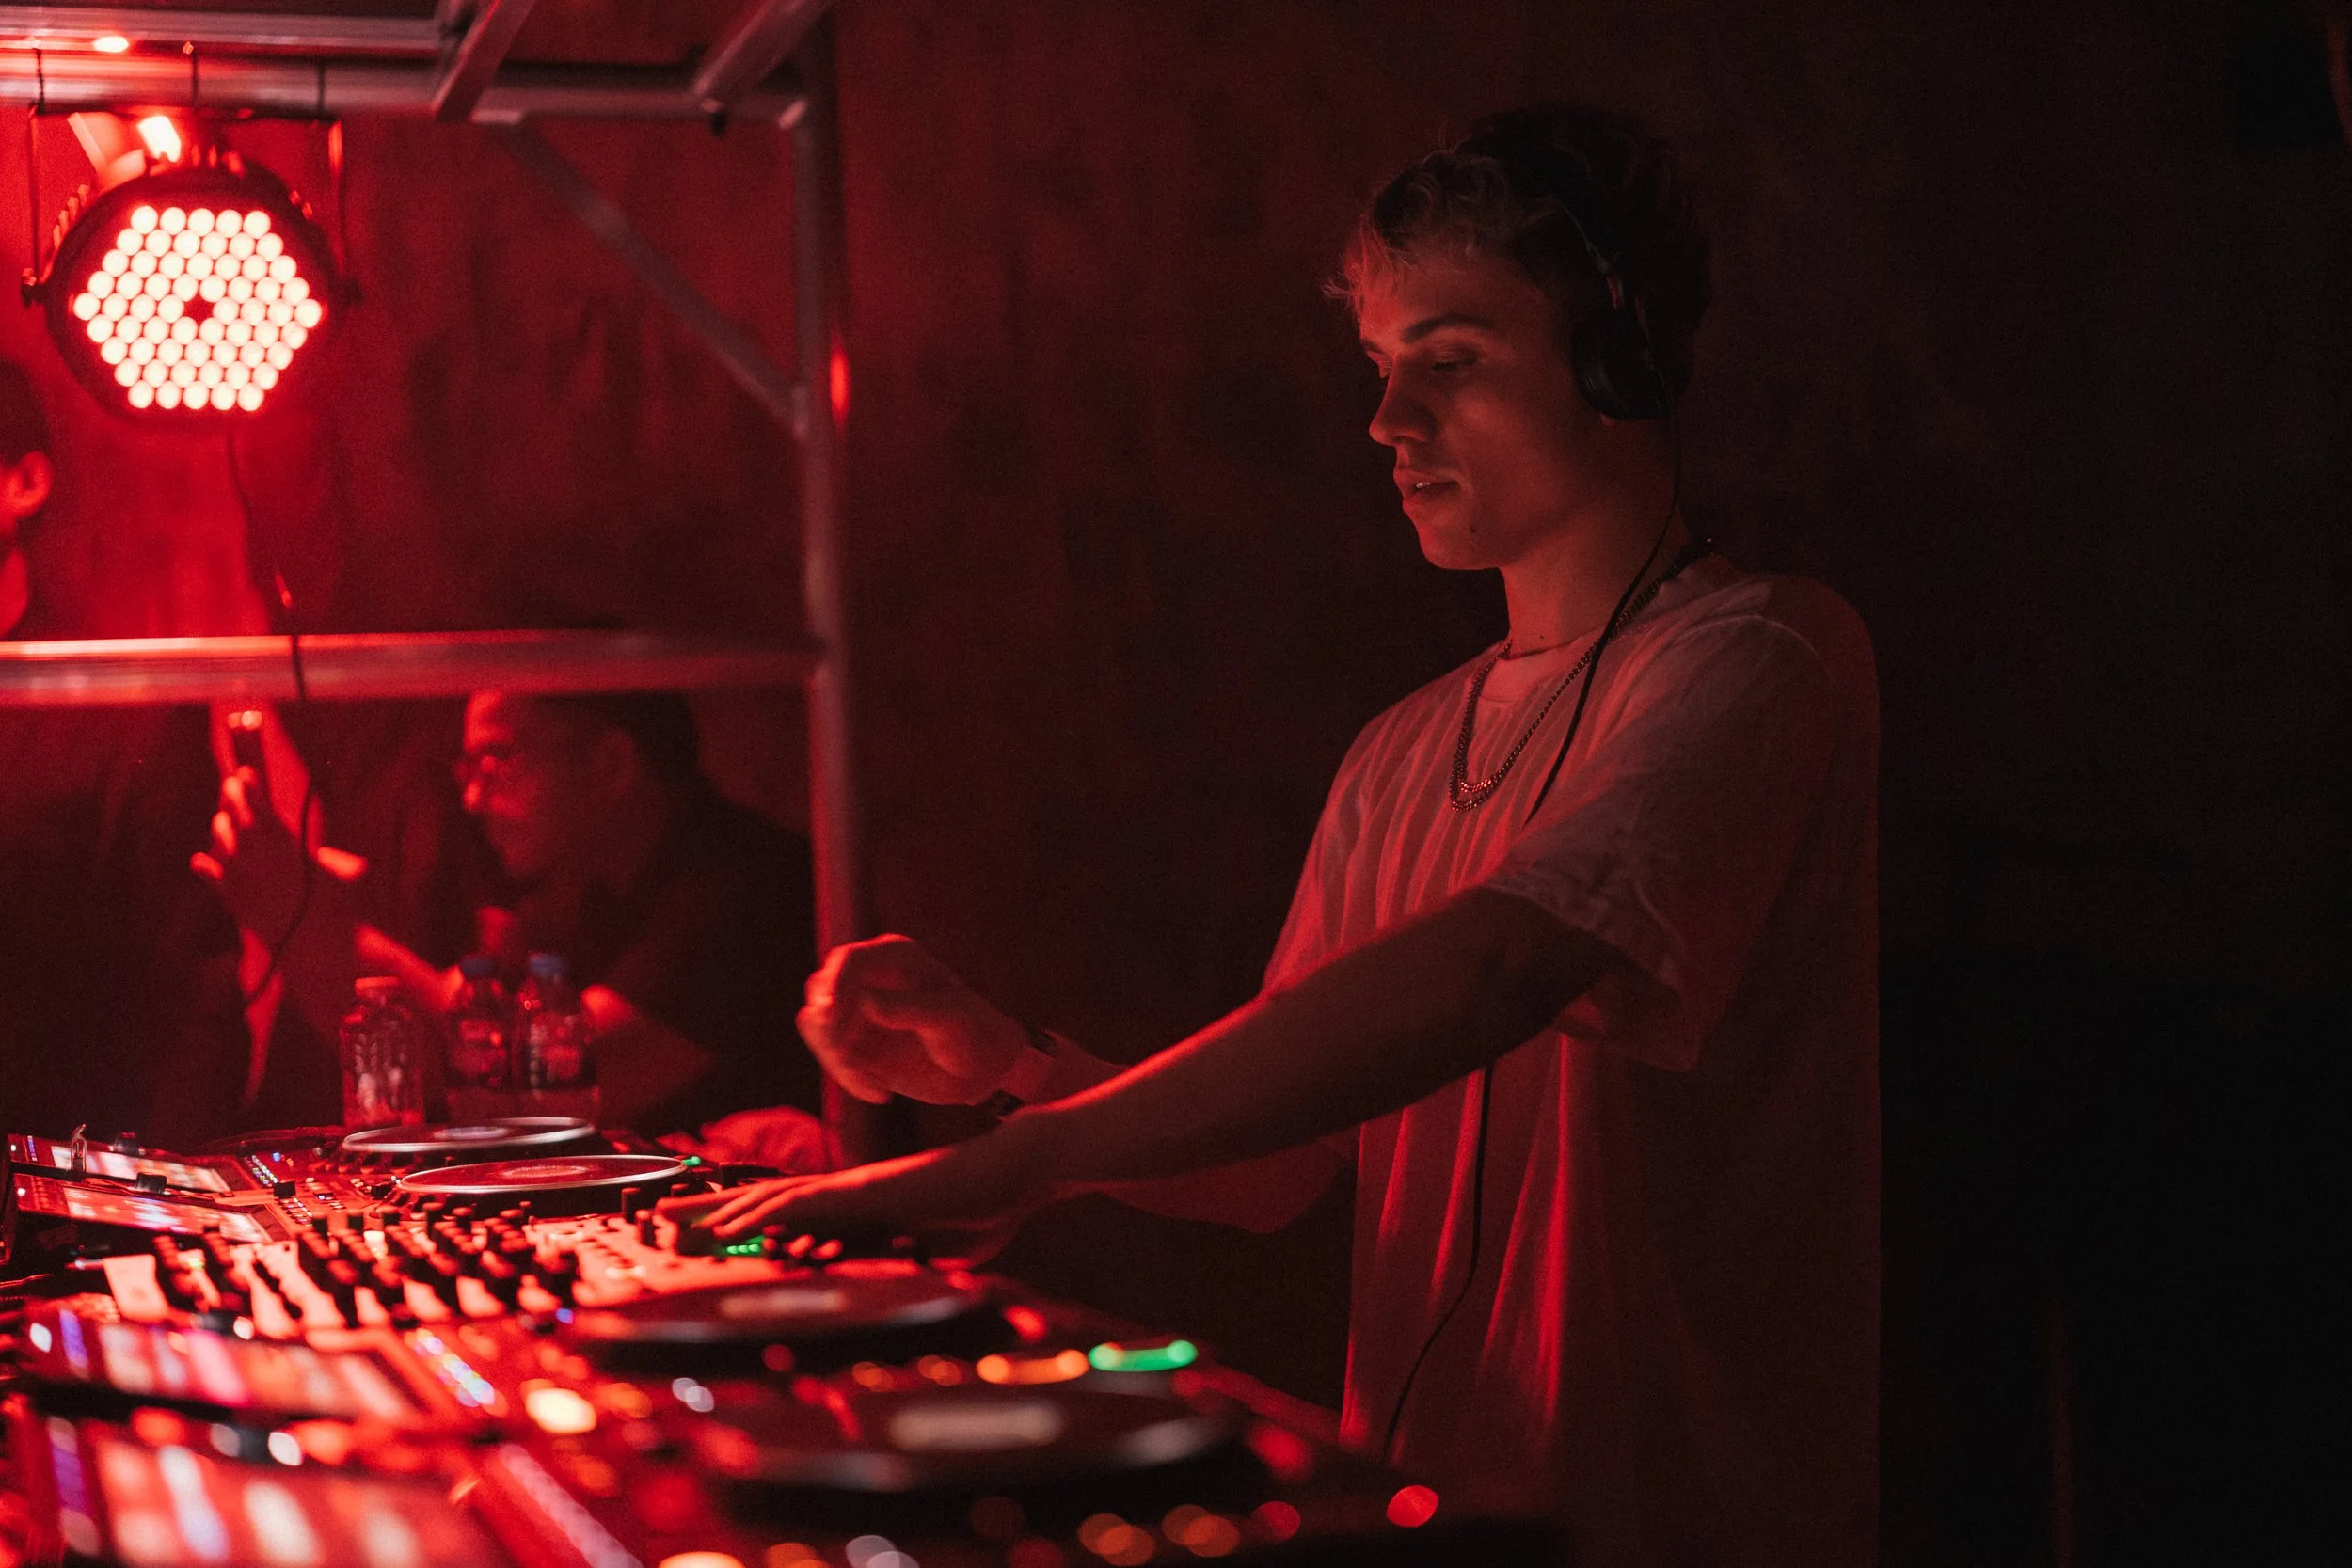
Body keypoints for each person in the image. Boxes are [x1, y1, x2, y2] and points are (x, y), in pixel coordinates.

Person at [686, 104, 1880, 1567]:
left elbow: (1500, 963)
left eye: (1450, 361)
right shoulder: (1396, 754)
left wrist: (1025, 1161)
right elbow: (1280, 1166)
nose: (1389, 423)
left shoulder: (1765, 658)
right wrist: (1009, 1067)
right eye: (1382, 371)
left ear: (1615, 358)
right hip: (1423, 1519)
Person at [198, 687, 825, 1144]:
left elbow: (537, 1091)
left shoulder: (742, 886)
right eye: (467, 769)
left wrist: (312, 921)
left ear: (611, 764)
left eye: (499, 762)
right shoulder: (587, 892)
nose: (473, 799)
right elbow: (479, 1057)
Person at [0, 359, 247, 1146]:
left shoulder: (118, 708)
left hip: (52, 1216)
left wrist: (157, 1232)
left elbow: (190, 1007)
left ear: (26, 483)